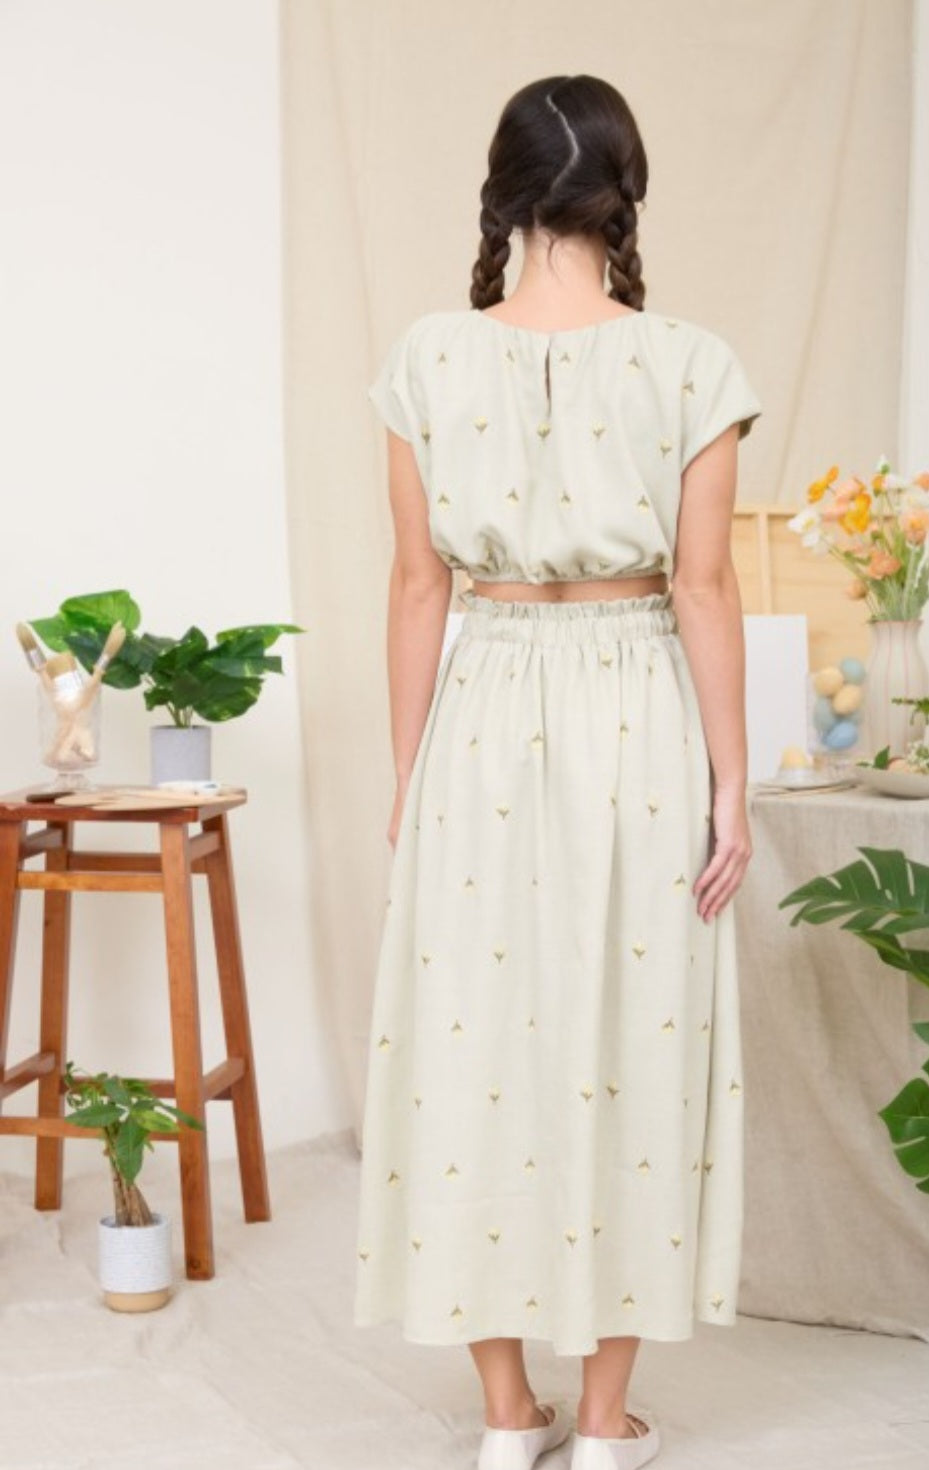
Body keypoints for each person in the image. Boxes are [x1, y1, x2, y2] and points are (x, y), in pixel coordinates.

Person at [354, 73, 762, 1470]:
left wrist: (411, 775)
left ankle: (501, 1415)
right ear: (624, 195)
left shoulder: (423, 355)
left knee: (472, 1040)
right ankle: (600, 1425)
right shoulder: (690, 359)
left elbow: (415, 587)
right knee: (634, 1038)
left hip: (479, 706)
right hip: (635, 702)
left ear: (505, 191)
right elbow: (703, 588)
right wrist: (731, 779)